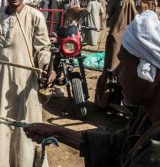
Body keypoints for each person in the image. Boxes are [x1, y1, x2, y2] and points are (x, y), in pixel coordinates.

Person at [25, 10, 160, 167]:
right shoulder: (145, 115)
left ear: (151, 75)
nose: (116, 72)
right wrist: (57, 132)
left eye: (124, 64)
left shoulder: (155, 154)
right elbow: (115, 145)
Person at [0, 0, 52, 167]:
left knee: (25, 123)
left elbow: (43, 48)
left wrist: (46, 67)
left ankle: (26, 162)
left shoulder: (35, 16)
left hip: (25, 81)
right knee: (1, 121)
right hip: (0, 79)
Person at [95, 0, 138, 108]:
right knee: (111, 54)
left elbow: (134, 15)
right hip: (114, 30)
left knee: (118, 56)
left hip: (124, 30)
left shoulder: (130, 2)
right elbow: (109, 10)